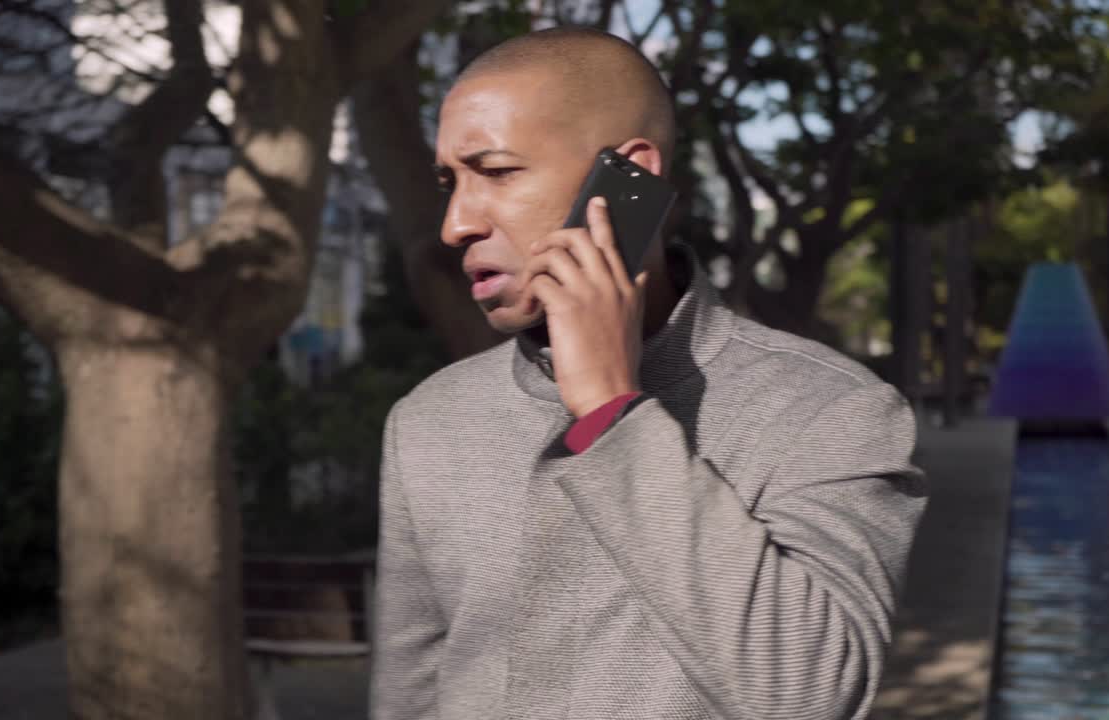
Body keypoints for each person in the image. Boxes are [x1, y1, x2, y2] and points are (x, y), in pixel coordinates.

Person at [370, 26, 926, 720]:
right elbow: (407, 696)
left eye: (499, 171)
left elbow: (809, 692)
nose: (456, 223)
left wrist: (610, 410)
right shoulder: (429, 419)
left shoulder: (830, 410)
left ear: (626, 178)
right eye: (452, 182)